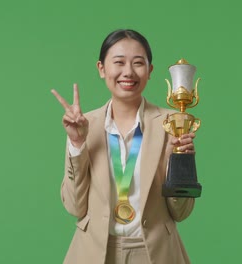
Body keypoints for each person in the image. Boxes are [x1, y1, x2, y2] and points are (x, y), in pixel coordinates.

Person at [51, 29, 196, 264]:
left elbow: (181, 212)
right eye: (119, 62)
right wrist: (77, 143)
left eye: (138, 63)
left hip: (155, 253)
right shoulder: (84, 125)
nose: (128, 72)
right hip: (95, 253)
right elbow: (76, 207)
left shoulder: (173, 124)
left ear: (149, 71)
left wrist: (177, 165)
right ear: (102, 68)